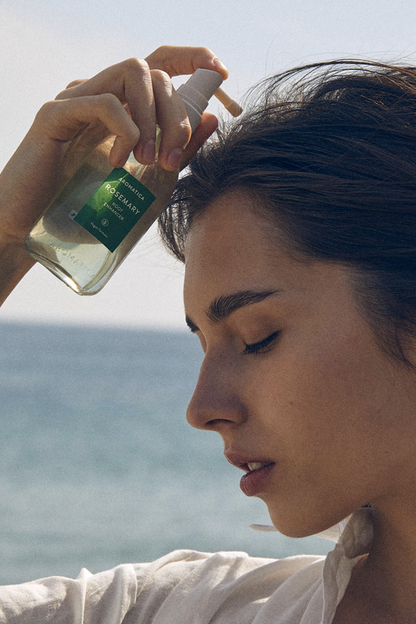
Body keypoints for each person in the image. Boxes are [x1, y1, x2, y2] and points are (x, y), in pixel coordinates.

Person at [0, 47, 415, 624]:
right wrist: (8, 235)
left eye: (257, 338)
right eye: (200, 341)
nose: (201, 410)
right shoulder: (196, 610)